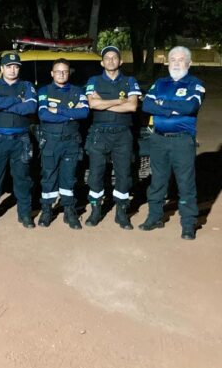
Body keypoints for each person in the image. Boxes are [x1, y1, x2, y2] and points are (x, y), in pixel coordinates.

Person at [141, 46, 204, 240]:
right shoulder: (160, 83)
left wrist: (161, 104)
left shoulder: (195, 84)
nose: (176, 63)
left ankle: (188, 224)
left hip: (182, 141)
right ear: (168, 62)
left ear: (189, 63)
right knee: (157, 180)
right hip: (158, 139)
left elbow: (190, 106)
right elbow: (147, 105)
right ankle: (155, 217)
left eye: (181, 59)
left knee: (185, 182)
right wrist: (172, 109)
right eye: (173, 59)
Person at [84, 45, 141, 229]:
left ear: (120, 61)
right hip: (99, 133)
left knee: (124, 174)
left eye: (114, 57)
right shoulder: (93, 80)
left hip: (123, 134)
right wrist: (118, 101)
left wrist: (103, 103)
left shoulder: (130, 81)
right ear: (102, 62)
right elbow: (93, 105)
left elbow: (132, 106)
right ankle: (95, 211)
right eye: (107, 58)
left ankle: (121, 212)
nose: (110, 60)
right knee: (95, 174)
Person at [0, 53, 38, 228]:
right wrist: (17, 100)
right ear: (2, 68)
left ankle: (25, 215)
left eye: (16, 67)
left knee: (22, 179)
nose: (12, 70)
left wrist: (5, 106)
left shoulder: (27, 85)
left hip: (21, 140)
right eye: (9, 66)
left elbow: (31, 107)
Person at [36, 58, 89, 229]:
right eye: (58, 71)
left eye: (65, 71)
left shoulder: (78, 91)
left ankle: (69, 210)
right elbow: (44, 115)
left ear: (69, 73)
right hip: (50, 141)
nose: (61, 74)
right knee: (48, 177)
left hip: (71, 142)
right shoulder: (44, 91)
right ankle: (46, 210)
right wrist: (71, 113)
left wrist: (58, 110)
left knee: (69, 177)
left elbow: (84, 113)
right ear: (52, 73)